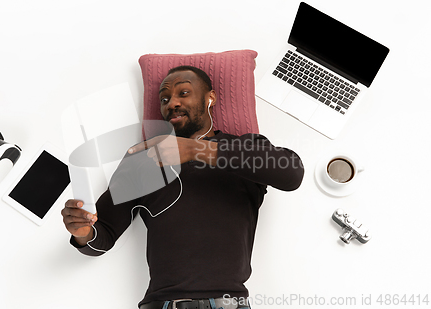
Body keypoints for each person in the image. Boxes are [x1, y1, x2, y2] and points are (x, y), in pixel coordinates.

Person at [61, 65, 304, 309]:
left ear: (210, 98)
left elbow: (292, 173)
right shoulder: (142, 158)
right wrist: (83, 233)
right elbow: (103, 235)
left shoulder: (244, 148)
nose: (171, 103)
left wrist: (197, 150)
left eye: (183, 93)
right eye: (164, 99)